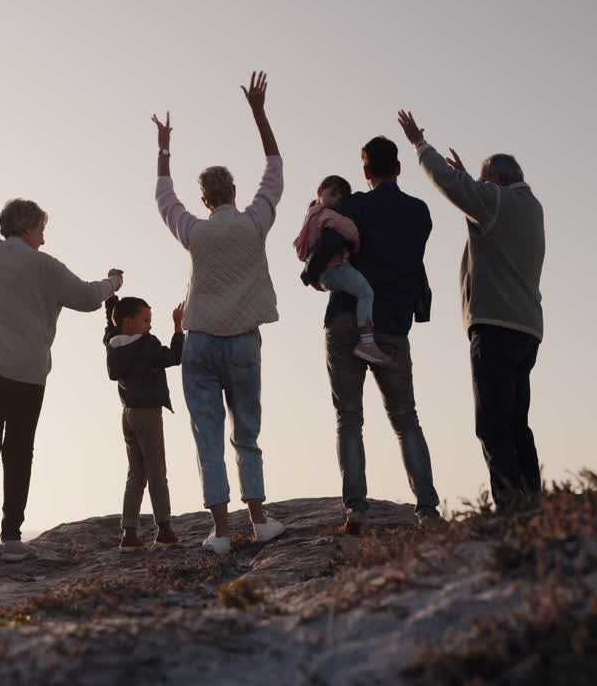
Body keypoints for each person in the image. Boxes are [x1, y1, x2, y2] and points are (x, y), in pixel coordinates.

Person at [150, 71, 287, 554]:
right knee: (245, 432)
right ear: (234, 191)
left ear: (205, 199)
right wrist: (258, 111)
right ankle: (259, 521)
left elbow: (164, 198)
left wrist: (164, 148)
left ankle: (221, 533)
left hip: (201, 342)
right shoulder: (255, 223)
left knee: (206, 435)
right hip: (244, 340)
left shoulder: (194, 231)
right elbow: (275, 167)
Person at [0, 173, 124, 562]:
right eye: (40, 228)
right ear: (27, 227)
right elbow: (87, 297)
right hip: (25, 374)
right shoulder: (45, 266)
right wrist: (112, 283)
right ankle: (13, 538)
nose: (43, 237)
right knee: (18, 451)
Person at [397, 110, 546, 513]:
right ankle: (532, 503)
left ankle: (509, 509)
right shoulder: (530, 206)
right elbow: (480, 201)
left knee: (493, 424)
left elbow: (451, 186)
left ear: (494, 181)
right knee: (517, 422)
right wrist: (472, 182)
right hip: (527, 329)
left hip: (494, 327)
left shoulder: (496, 201)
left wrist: (419, 144)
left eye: (483, 182)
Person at [305, 136, 442, 535]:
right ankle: (428, 512)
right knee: (405, 418)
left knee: (349, 417)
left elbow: (328, 241)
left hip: (347, 318)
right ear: (398, 168)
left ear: (365, 171)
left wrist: (312, 275)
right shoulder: (420, 212)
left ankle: (357, 511)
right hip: (394, 324)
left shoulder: (356, 205)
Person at [102, 294, 184, 551]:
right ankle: (165, 529)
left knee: (136, 473)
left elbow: (110, 327)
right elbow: (174, 357)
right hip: (148, 413)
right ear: (128, 322)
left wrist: (110, 302)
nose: (149, 325)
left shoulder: (113, 345)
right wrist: (178, 327)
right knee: (156, 471)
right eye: (145, 319)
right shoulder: (146, 345)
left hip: (128, 413)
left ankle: (129, 533)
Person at [293, 175, 392, 365]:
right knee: (365, 293)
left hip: (324, 275)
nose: (336, 199)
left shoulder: (310, 215)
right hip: (335, 268)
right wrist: (355, 244)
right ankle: (367, 342)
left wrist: (310, 271)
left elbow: (300, 248)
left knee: (355, 290)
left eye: (340, 197)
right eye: (333, 194)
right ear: (320, 191)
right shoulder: (327, 215)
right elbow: (350, 230)